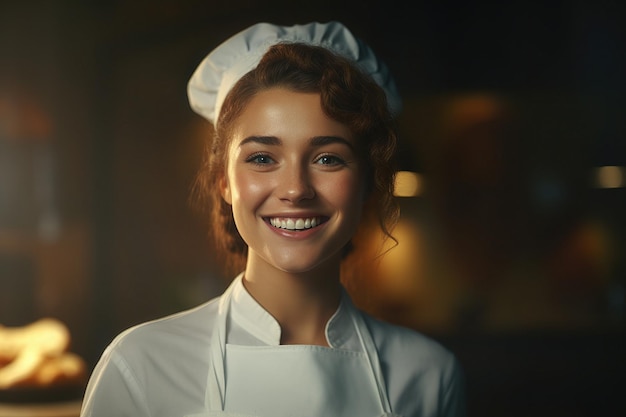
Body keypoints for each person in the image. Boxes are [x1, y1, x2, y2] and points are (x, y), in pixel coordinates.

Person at [80, 21, 466, 417]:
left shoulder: (427, 374)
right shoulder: (141, 366)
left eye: (327, 158)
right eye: (262, 158)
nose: (296, 189)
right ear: (224, 183)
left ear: (368, 181)